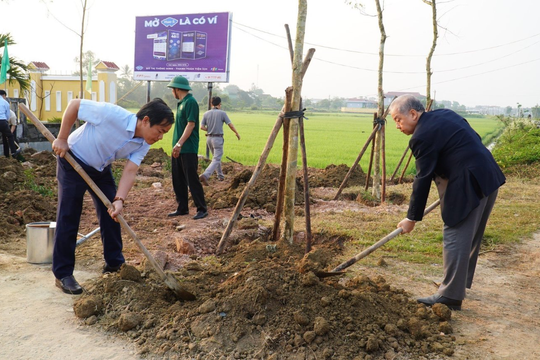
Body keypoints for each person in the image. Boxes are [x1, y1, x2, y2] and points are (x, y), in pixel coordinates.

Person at [389, 94, 505, 310]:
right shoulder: (445, 115)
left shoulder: (420, 136)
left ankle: (450, 296)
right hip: (488, 174)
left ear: (413, 114)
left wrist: (411, 218)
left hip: (469, 182)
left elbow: (422, 178)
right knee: (470, 235)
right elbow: (470, 139)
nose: (397, 125)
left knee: (455, 233)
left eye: (398, 119)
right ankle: (457, 283)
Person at [51, 98, 174, 295]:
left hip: (100, 168)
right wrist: (62, 138)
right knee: (69, 215)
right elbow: (74, 105)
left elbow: (130, 170)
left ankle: (114, 264)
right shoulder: (111, 115)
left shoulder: (143, 143)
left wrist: (120, 200)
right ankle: (63, 274)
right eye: (160, 131)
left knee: (113, 214)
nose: (160, 137)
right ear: (145, 120)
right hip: (72, 160)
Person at [167, 75, 208, 220]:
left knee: (191, 179)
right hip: (178, 147)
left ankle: (202, 208)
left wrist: (179, 144)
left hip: (188, 148)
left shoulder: (191, 102)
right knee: (178, 179)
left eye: (173, 89)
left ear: (177, 89)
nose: (172, 92)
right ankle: (182, 207)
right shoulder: (181, 103)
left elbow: (191, 125)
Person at [199, 96, 240, 184]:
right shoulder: (222, 113)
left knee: (216, 157)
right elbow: (230, 125)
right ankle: (205, 175)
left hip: (209, 138)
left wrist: (209, 130)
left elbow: (201, 127)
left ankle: (220, 176)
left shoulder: (206, 113)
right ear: (219, 104)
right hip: (217, 139)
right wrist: (236, 133)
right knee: (216, 159)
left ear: (211, 104)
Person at [0, 90, 20, 158]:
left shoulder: (13, 116)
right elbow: (7, 116)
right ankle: (13, 152)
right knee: (10, 137)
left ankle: (8, 155)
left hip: (9, 124)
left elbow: (14, 124)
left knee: (8, 137)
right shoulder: (5, 103)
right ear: (3, 96)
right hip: (3, 122)